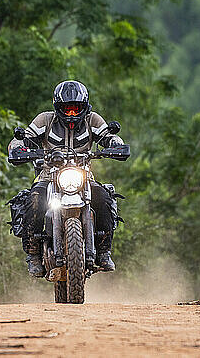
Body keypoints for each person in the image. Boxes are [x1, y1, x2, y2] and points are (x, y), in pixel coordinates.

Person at [7, 80, 125, 277]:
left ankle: (104, 251)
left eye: (75, 109)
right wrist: (17, 146)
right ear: (57, 107)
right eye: (66, 109)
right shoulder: (45, 120)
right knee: (34, 199)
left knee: (104, 198)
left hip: (83, 175)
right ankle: (33, 254)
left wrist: (115, 143)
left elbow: (107, 136)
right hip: (48, 174)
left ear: (84, 107)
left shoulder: (92, 120)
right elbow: (24, 138)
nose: (71, 113)